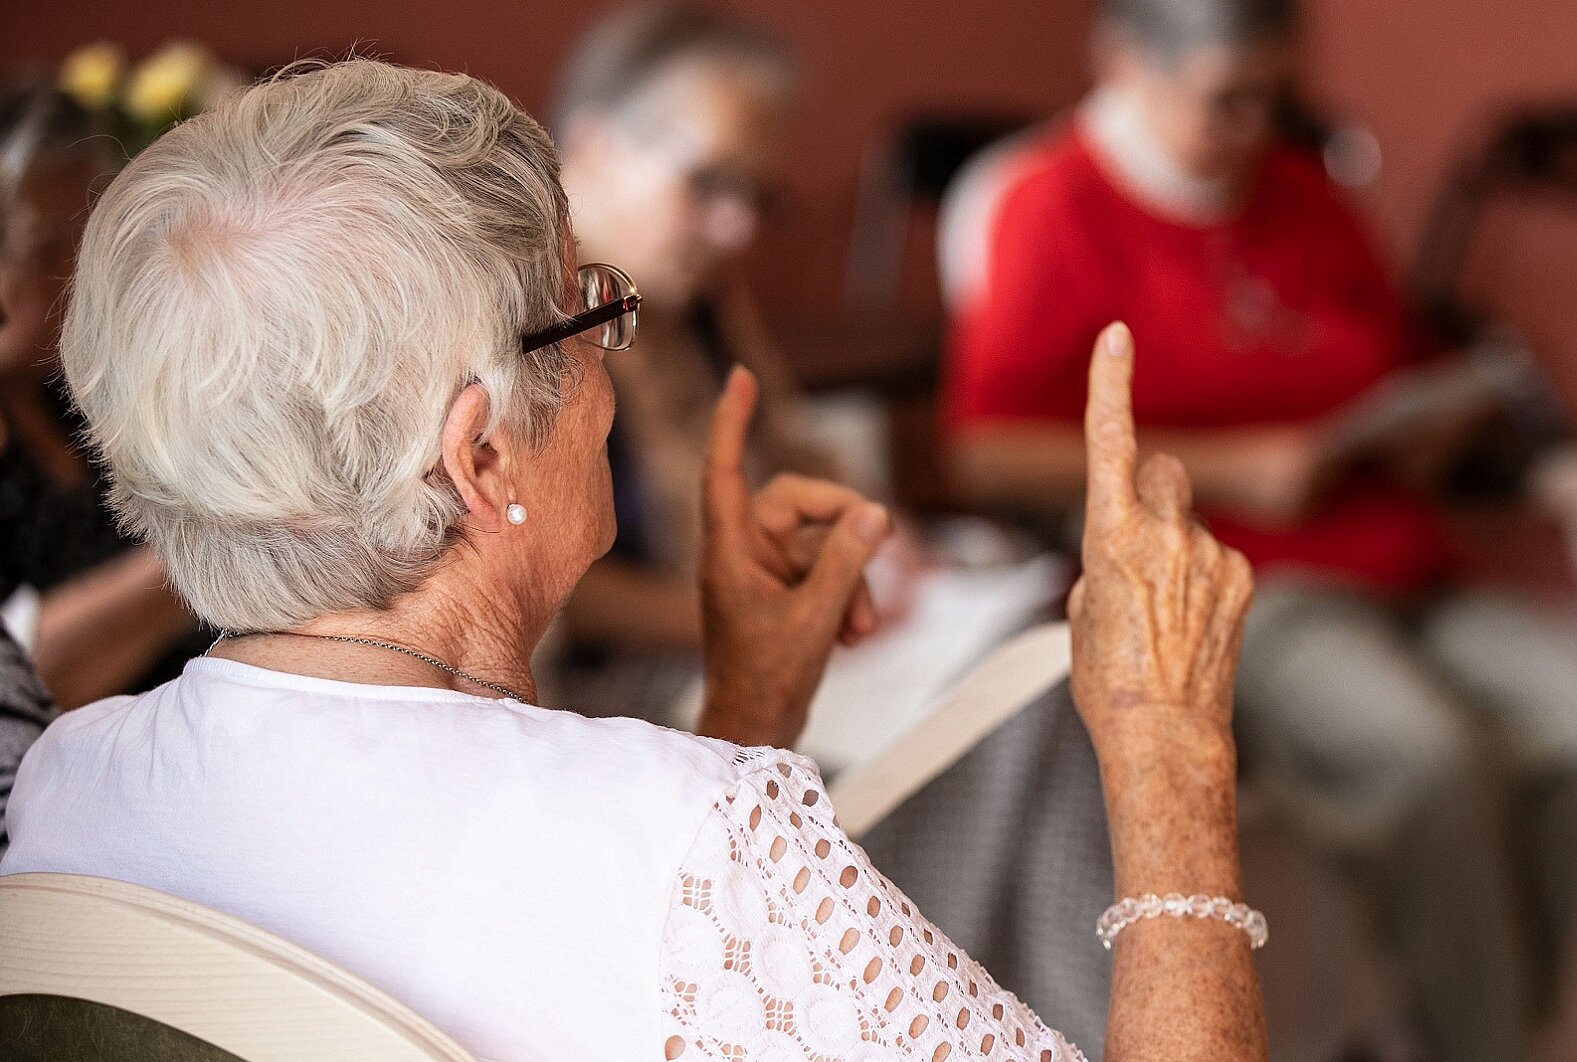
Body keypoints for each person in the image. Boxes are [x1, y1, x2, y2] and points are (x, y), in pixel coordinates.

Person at [1, 60, 1267, 1060]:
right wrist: (1168, 754)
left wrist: (747, 709)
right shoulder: (692, 841)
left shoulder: (68, 784)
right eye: (587, 309)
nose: (613, 363)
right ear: (482, 457)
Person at [942, 1, 1577, 1059]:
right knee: (1422, 758)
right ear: (1125, 63)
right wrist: (1235, 468)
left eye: (1275, 97)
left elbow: (1387, 358)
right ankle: (1483, 1038)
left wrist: (1421, 429)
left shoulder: (1305, 196)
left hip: (1398, 555)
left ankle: (1478, 1023)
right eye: (1227, 99)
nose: (1256, 125)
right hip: (1243, 582)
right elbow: (987, 449)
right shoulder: (1048, 207)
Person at [547, 4, 843, 715]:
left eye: (756, 195)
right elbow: (551, 582)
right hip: (609, 699)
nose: (738, 228)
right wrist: (748, 623)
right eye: (707, 183)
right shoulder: (532, 310)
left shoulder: (693, 290)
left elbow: (787, 449)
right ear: (593, 145)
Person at [0, 81, 201, 707]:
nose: (80, 272)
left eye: (91, 237)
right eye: (47, 247)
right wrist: (214, 547)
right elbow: (26, 676)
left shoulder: (78, 397)